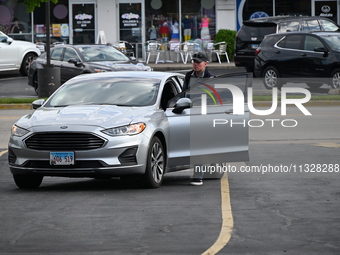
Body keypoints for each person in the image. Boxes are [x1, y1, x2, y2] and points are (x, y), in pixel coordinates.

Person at [182, 52, 214, 186]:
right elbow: (183, 93)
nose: (195, 64)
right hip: (190, 111)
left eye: (198, 62)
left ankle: (199, 175)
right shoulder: (189, 76)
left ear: (205, 64)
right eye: (194, 61)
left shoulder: (211, 78)